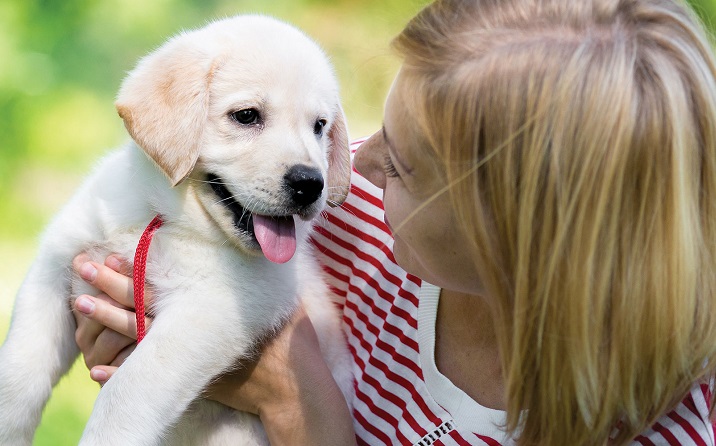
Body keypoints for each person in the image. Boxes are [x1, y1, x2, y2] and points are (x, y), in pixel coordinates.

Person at [70, 0, 716, 444]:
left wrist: (298, 405)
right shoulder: (347, 222)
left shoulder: (661, 428)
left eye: (403, 166)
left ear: (517, 238)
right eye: (379, 126)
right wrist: (124, 313)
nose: (355, 165)